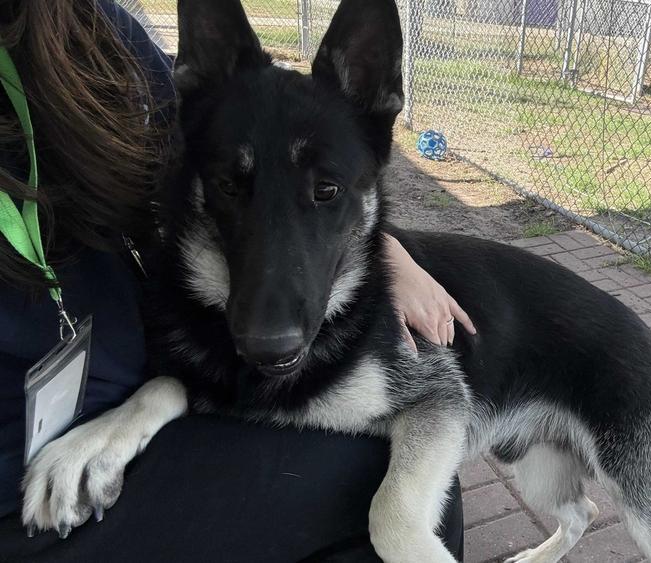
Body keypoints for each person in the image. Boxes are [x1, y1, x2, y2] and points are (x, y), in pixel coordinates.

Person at [0, 1, 473, 561]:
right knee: (375, 490)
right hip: (26, 478)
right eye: (230, 188)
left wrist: (388, 250)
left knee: (404, 491)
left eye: (326, 193)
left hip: (133, 397)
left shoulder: (84, 29)